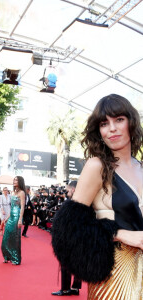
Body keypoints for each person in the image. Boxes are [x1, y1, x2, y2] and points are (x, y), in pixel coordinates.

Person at [52, 94, 143, 300]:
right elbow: (68, 228)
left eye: (119, 119)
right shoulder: (97, 166)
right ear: (98, 131)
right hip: (113, 273)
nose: (111, 128)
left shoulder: (141, 167)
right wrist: (120, 234)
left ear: (131, 122)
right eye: (104, 123)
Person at [51, 181, 82, 296]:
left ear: (73, 189)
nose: (66, 192)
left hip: (69, 236)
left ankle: (65, 289)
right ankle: (75, 288)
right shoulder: (84, 201)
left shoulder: (71, 202)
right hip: (80, 236)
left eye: (68, 190)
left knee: (65, 262)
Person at [1, 176, 25, 265]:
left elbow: (22, 207)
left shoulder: (22, 193)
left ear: (20, 182)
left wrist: (20, 219)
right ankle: (7, 256)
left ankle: (15, 258)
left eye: (16, 180)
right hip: (11, 216)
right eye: (14, 180)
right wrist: (6, 218)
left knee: (14, 238)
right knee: (6, 236)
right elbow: (12, 208)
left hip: (17, 217)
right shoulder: (13, 192)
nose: (14, 181)